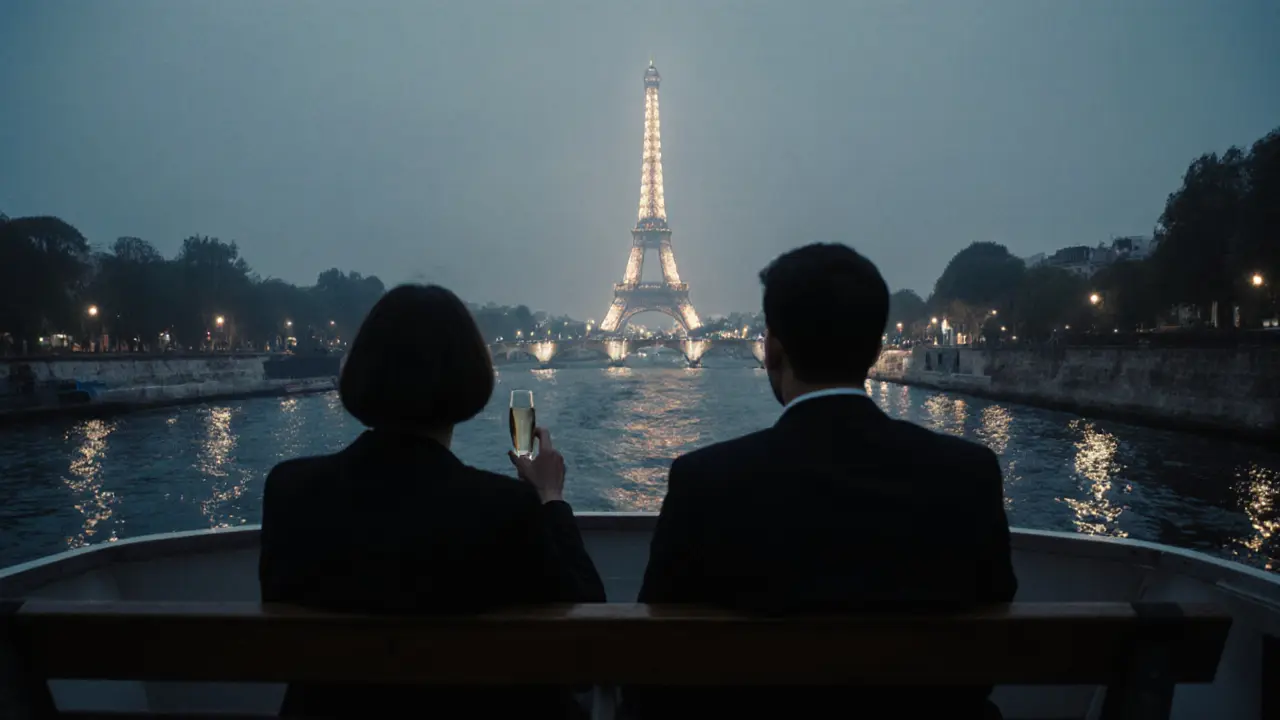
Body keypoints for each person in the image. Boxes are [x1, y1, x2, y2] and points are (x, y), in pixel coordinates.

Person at [632, 243, 1017, 720]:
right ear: (876, 349)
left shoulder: (705, 483)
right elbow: (989, 637)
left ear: (771, 349)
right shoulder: (969, 474)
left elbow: (656, 655)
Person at [259, 284, 605, 719]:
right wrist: (551, 498)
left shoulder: (290, 491)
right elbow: (590, 639)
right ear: (469, 381)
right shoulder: (503, 509)